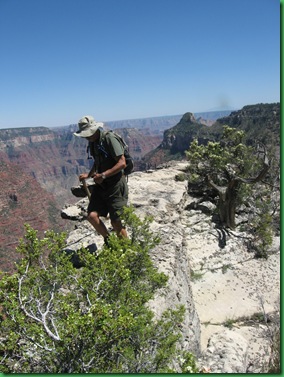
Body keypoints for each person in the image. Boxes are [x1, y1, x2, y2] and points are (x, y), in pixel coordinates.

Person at [74, 115, 128, 245]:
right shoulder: (93, 142)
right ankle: (109, 242)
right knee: (92, 216)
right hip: (102, 185)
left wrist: (102, 175)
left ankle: (126, 250)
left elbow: (122, 163)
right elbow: (97, 162)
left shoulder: (109, 139)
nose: (87, 137)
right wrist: (89, 174)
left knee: (116, 221)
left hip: (115, 184)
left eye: (88, 134)